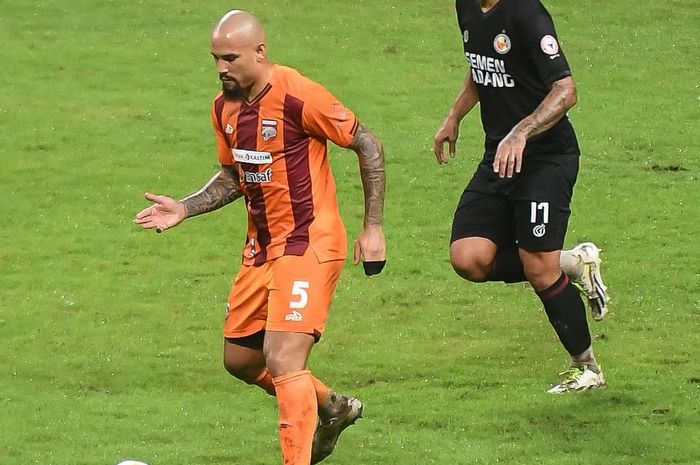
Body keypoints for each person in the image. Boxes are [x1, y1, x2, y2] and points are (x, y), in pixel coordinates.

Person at [134, 10, 386, 464]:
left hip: (309, 241)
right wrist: (185, 207)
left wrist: (373, 227)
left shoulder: (298, 95)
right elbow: (235, 174)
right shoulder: (223, 107)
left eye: (230, 58)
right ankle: (331, 408)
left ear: (259, 52)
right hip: (261, 248)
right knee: (241, 360)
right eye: (215, 58)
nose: (221, 68)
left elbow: (367, 144)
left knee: (284, 358)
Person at [433, 0, 610, 393]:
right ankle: (574, 262)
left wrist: (522, 130)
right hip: (500, 155)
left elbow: (566, 90)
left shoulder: (528, 13)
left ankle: (587, 368)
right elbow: (482, 64)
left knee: (538, 269)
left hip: (546, 159)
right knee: (468, 258)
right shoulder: (466, 6)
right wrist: (453, 116)